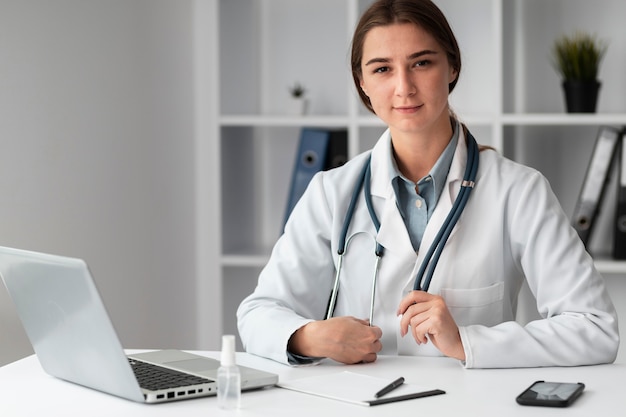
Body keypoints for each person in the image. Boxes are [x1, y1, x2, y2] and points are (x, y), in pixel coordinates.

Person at [237, 0, 619, 368]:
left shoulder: (518, 191)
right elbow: (258, 313)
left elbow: (595, 327)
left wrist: (467, 342)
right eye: (382, 69)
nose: (404, 87)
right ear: (362, 83)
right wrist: (311, 337)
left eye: (421, 63)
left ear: (452, 66)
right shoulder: (331, 193)